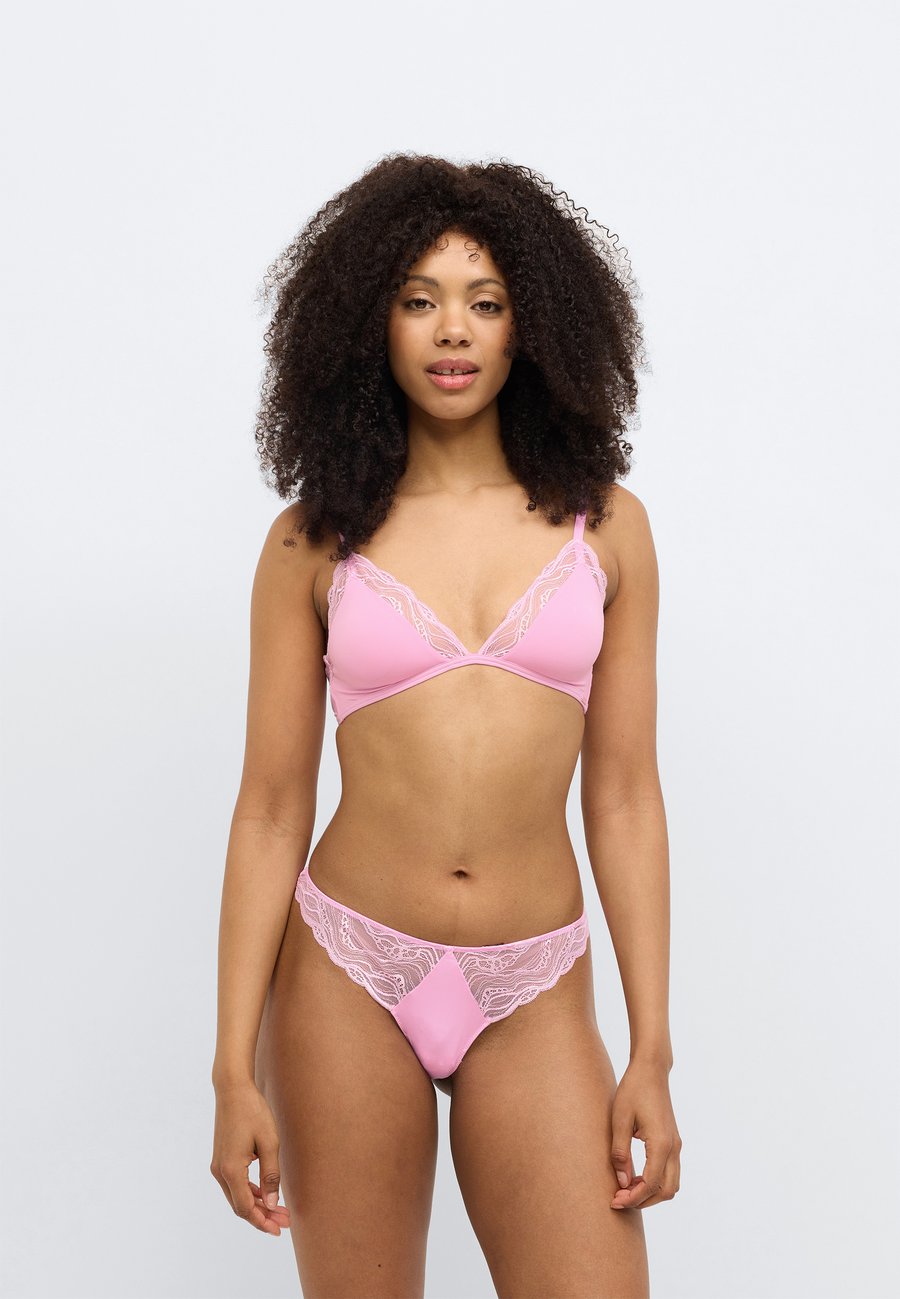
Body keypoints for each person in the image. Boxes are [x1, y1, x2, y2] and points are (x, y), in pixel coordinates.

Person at [210, 153, 681, 1299]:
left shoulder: (607, 528)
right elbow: (270, 808)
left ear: (535, 328)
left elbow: (625, 797)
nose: (453, 330)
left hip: (535, 979)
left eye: (487, 301)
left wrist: (652, 1051)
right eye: (418, 299)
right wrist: (230, 1069)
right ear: (369, 324)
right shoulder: (312, 541)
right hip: (347, 970)